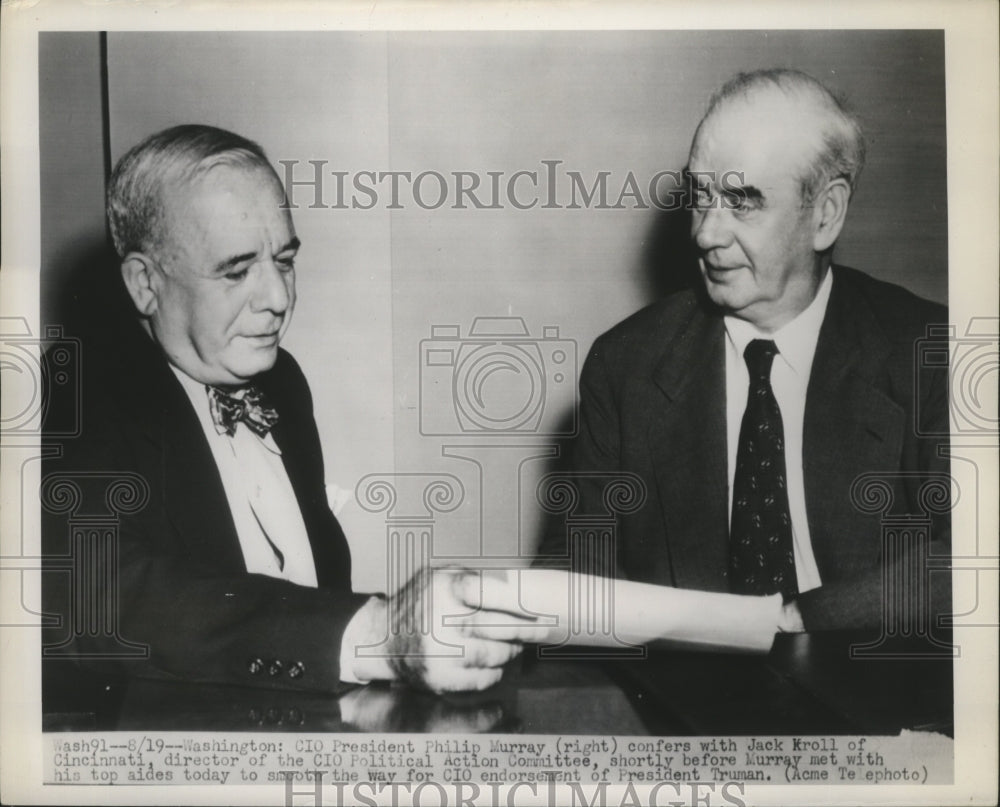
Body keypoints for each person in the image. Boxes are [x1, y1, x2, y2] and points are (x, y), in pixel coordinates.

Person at [41, 124, 526, 696]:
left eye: (286, 261)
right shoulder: (71, 394)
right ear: (145, 284)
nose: (278, 299)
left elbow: (305, 590)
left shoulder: (282, 383)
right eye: (237, 270)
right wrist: (374, 632)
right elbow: (95, 594)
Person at [534, 69, 950, 632]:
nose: (706, 233)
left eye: (742, 201)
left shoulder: (932, 355)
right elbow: (574, 577)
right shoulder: (625, 366)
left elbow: (970, 563)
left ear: (825, 213)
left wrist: (796, 619)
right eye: (701, 197)